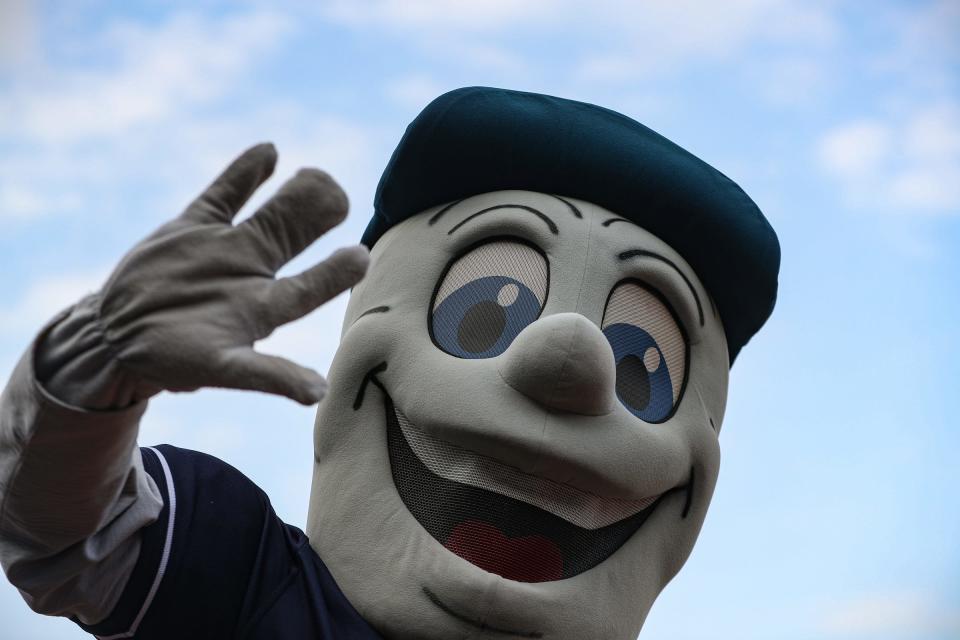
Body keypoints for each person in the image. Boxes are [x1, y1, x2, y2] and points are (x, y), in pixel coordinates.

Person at [0, 87, 779, 639]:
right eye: (483, 312)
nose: (571, 362)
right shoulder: (255, 587)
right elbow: (68, 532)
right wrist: (88, 367)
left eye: (643, 366)